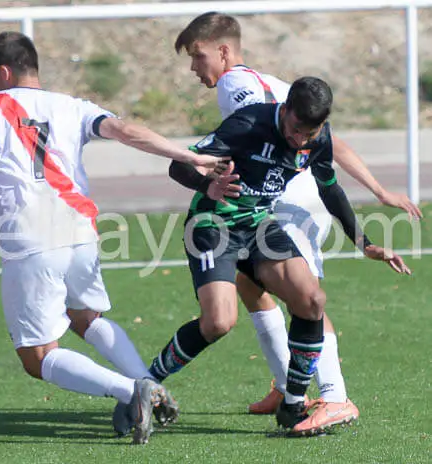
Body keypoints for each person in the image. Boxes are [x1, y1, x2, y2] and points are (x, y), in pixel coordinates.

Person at [0, 31, 225, 444]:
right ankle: (150, 383)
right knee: (87, 317)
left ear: (3, 71)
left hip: (30, 239)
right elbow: (125, 129)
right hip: (81, 233)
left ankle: (133, 390)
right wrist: (189, 155)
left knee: (38, 357)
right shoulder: (73, 106)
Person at [168, 11, 423, 429]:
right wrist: (377, 189)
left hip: (287, 198)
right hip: (295, 194)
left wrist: (212, 179)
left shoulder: (235, 86)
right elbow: (328, 140)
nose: (195, 67)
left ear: (223, 50)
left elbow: (266, 143)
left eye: (198, 56)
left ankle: (334, 396)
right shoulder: (279, 85)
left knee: (305, 297)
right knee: (251, 284)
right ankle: (291, 384)